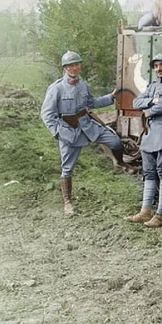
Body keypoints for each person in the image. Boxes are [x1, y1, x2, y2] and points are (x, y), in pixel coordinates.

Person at [40, 51, 126, 215]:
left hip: (88, 125)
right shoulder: (56, 88)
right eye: (70, 65)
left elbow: (91, 103)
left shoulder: (82, 85)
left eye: (77, 64)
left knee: (115, 142)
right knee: (67, 168)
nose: (74, 68)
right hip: (68, 131)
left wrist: (111, 97)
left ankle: (119, 162)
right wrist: (58, 133)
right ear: (65, 68)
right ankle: (68, 203)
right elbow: (47, 114)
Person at [124, 53, 162, 228]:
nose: (158, 69)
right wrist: (153, 100)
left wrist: (150, 107)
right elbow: (136, 102)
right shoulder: (153, 86)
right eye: (156, 66)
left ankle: (160, 214)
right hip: (150, 134)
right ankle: (145, 211)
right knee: (149, 173)